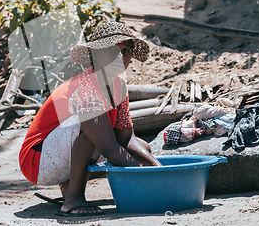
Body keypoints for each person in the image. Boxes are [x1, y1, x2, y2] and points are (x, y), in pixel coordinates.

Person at [19, 22, 161, 217]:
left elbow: (128, 139)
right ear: (94, 55)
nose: (120, 56)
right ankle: (73, 200)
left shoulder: (119, 87)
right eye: (111, 50)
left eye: (126, 50)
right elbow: (109, 148)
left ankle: (70, 184)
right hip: (37, 161)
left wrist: (156, 167)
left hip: (60, 153)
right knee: (93, 135)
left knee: (143, 147)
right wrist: (150, 181)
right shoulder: (87, 86)